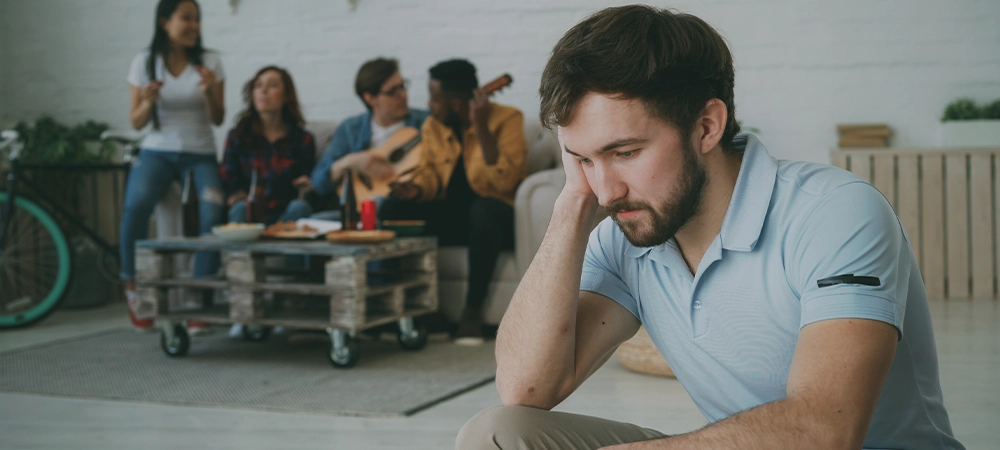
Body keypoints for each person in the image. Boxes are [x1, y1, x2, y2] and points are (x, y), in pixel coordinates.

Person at [458, 5, 964, 450]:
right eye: (583, 158)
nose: (606, 191)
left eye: (625, 152)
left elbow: (822, 432)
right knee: (498, 434)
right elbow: (525, 390)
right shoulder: (626, 234)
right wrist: (571, 205)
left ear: (706, 126)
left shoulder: (834, 212)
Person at [383, 59, 528, 345]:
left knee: (484, 210)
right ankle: (422, 310)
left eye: (436, 98)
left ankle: (472, 313)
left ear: (458, 103)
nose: (430, 104)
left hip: (493, 220)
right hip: (453, 216)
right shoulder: (433, 126)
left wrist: (481, 126)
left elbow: (506, 182)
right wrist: (416, 190)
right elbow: (429, 173)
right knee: (392, 208)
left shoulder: (508, 119)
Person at [121, 0, 226, 332]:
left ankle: (200, 298)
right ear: (165, 22)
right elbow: (136, 122)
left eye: (197, 19)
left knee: (212, 212)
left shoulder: (210, 62)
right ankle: (133, 288)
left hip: (200, 153)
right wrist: (148, 101)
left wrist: (210, 92)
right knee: (135, 206)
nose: (194, 25)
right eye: (186, 19)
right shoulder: (145, 62)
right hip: (157, 151)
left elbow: (218, 118)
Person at [310, 58, 430, 202]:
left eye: (403, 86)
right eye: (393, 91)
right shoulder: (350, 129)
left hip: (404, 207)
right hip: (357, 210)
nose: (403, 95)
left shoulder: (427, 123)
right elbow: (318, 183)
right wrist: (350, 162)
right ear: (370, 98)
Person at [220, 66, 316, 226]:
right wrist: (235, 196)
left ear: (286, 95)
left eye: (272, 85)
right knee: (240, 209)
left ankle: (282, 245)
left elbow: (307, 181)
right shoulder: (238, 136)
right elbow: (228, 179)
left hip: (285, 213)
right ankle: (243, 250)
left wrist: (306, 187)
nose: (263, 91)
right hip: (251, 208)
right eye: (258, 86)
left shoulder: (303, 139)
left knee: (301, 207)